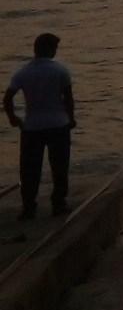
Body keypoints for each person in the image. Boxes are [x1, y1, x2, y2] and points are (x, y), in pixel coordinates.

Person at [6, 32, 76, 221]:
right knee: (59, 166)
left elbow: (8, 97)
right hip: (58, 124)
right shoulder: (60, 71)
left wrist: (13, 118)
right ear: (50, 50)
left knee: (30, 169)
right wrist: (71, 118)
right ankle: (58, 203)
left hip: (32, 127)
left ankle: (29, 207)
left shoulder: (24, 72)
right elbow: (68, 99)